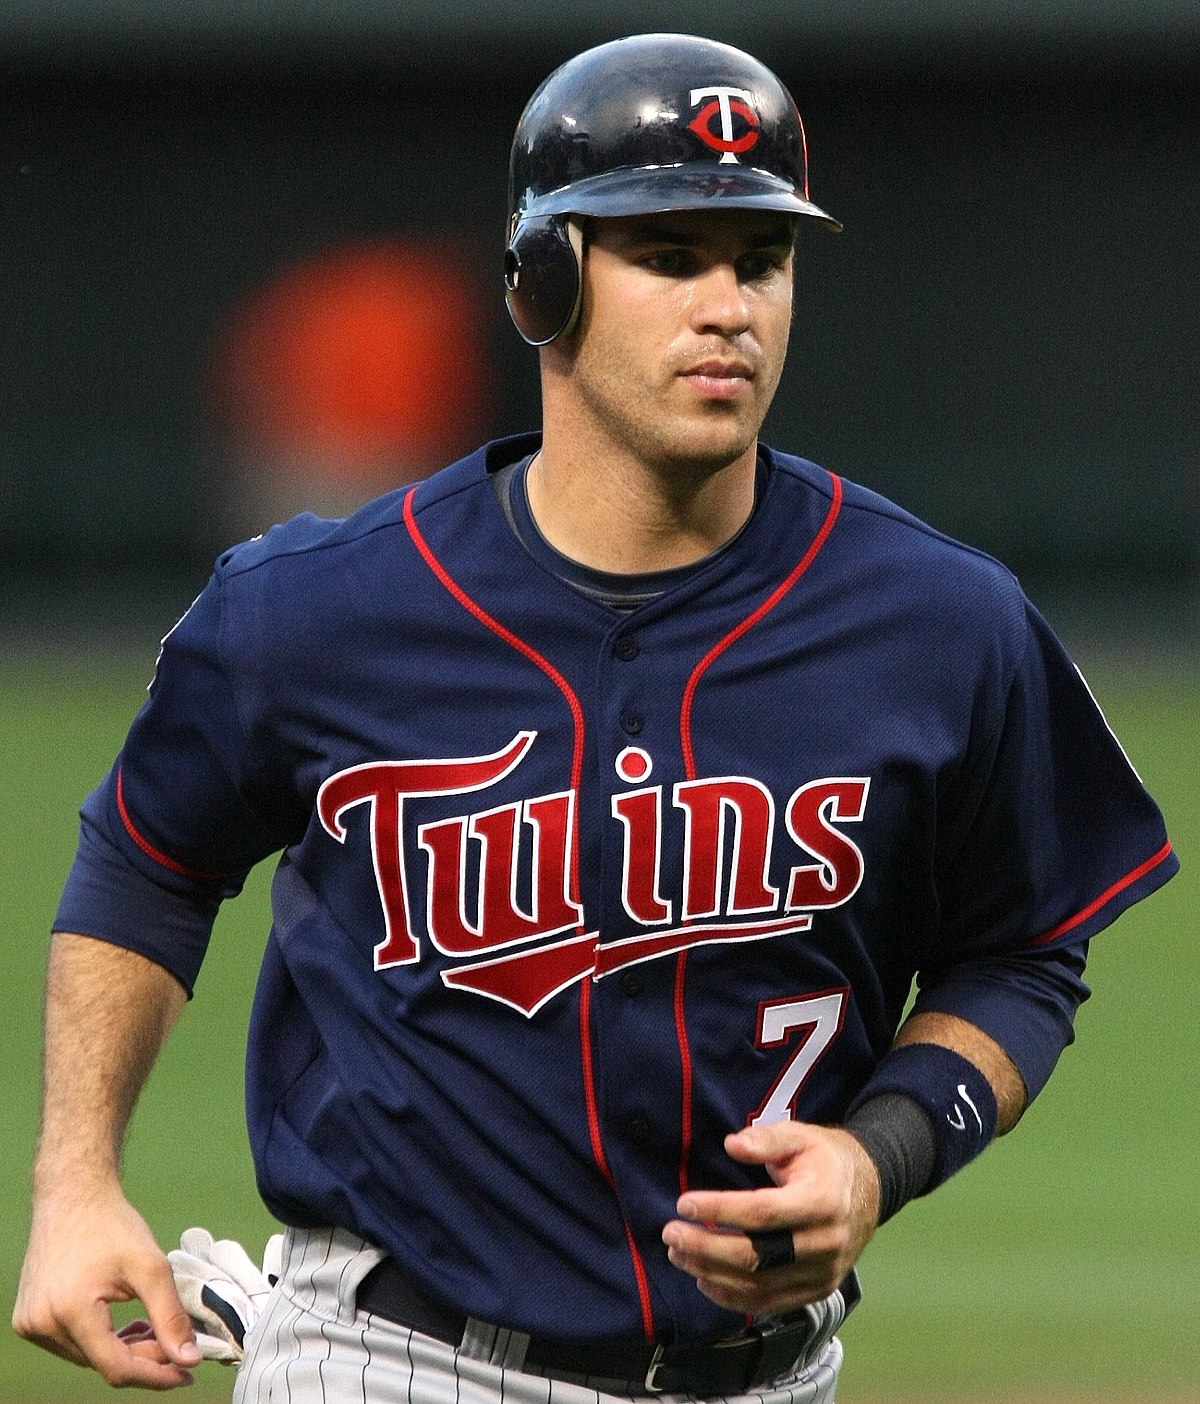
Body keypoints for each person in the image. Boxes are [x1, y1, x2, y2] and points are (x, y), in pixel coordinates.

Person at [13, 31, 1178, 1404]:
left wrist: (884, 1153)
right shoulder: (317, 612)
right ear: (542, 286)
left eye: (761, 259)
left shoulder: (939, 622)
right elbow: (148, 864)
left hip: (778, 1375)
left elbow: (1027, 948)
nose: (729, 306)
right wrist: (76, 1183)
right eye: (670, 257)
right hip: (393, 1356)